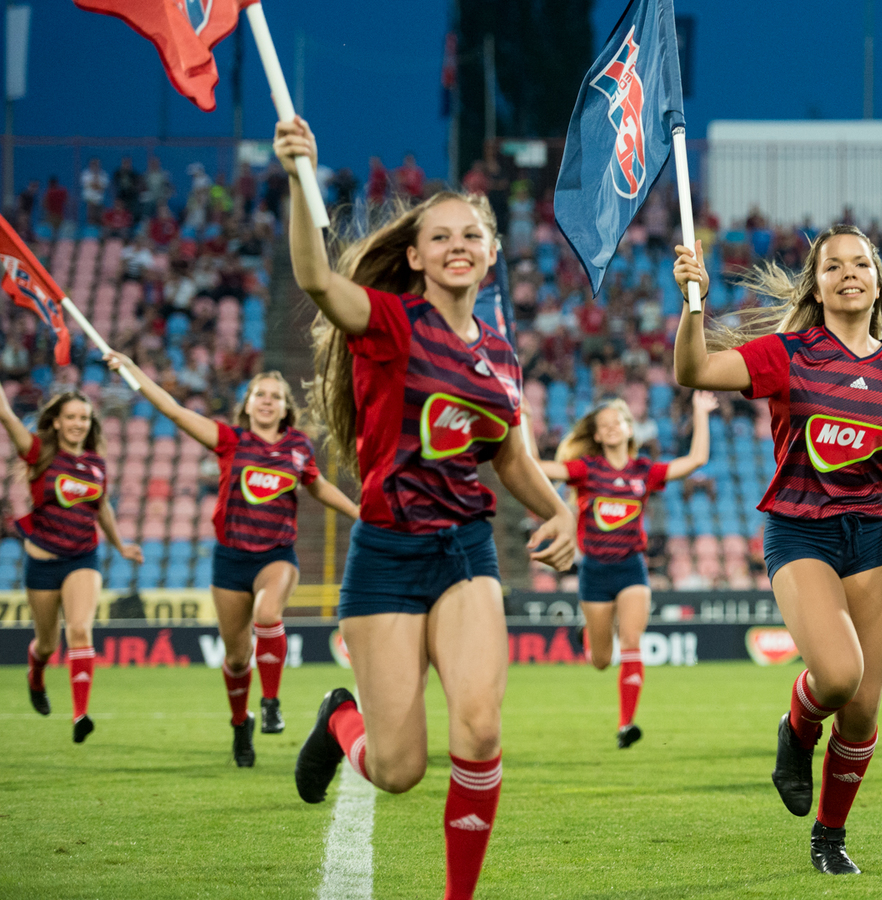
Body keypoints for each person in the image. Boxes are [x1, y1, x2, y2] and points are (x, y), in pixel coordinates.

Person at [273, 117, 576, 900]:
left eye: (471, 235)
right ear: (415, 256)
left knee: (480, 726)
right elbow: (317, 281)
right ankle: (341, 719)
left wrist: (561, 510)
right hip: (386, 554)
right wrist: (301, 181)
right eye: (440, 237)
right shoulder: (388, 321)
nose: (457, 246)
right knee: (398, 768)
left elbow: (510, 457)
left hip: (465, 549)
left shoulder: (501, 354)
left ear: (492, 252)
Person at [672, 224, 882, 875]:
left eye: (861, 263)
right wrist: (693, 305)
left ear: (878, 281)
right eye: (833, 266)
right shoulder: (786, 354)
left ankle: (830, 835)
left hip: (870, 540)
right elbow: (694, 370)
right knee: (840, 676)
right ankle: (796, 729)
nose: (849, 273)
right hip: (800, 532)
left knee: (863, 712)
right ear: (816, 288)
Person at [106, 355, 360, 767]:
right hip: (230, 560)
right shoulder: (230, 440)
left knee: (268, 614)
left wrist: (358, 513)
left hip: (277, 556)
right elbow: (174, 410)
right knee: (238, 658)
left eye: (275, 396)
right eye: (260, 394)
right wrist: (132, 369)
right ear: (248, 403)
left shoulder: (298, 446)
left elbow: (318, 486)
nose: (267, 400)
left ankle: (271, 703)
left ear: (285, 406)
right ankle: (241, 723)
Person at [538, 392, 715, 748]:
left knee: (632, 642)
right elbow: (537, 467)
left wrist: (700, 411)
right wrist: (525, 422)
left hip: (632, 568)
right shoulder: (586, 469)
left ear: (629, 428)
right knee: (601, 661)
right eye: (604, 425)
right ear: (597, 435)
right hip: (594, 572)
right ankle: (588, 636)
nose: (611, 428)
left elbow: (696, 459)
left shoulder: (644, 471)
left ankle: (626, 724)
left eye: (616, 422)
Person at [1, 389, 142, 742]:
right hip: (42, 563)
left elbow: (102, 507)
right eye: (72, 417)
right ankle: (36, 675)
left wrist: (121, 545)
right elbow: (7, 416)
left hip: (83, 557)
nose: (79, 423)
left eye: (84, 418)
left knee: (79, 629)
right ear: (56, 422)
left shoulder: (97, 464)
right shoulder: (39, 452)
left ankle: (80, 714)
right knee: (47, 645)